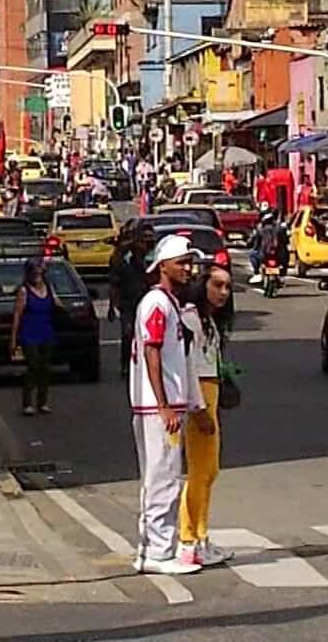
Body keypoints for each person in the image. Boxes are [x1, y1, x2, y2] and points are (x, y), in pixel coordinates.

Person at [130, 234, 205, 576]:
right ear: (163, 266)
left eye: (190, 263)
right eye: (182, 263)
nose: (188, 269)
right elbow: (152, 352)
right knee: (160, 479)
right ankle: (154, 552)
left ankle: (164, 548)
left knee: (169, 478)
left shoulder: (171, 303)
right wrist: (162, 405)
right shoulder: (156, 304)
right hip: (156, 409)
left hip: (170, 406)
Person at [178, 263, 234, 568]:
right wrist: (198, 408)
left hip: (209, 391)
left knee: (209, 470)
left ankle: (199, 537)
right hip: (199, 394)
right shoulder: (191, 318)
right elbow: (187, 365)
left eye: (227, 286)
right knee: (200, 470)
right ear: (203, 285)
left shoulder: (209, 321)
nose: (223, 292)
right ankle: (189, 540)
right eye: (217, 285)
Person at [8, 257, 60, 417]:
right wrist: (14, 339)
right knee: (33, 366)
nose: (38, 276)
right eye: (35, 273)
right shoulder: (24, 291)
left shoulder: (49, 288)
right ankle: (27, 403)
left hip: (46, 332)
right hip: (29, 334)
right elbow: (18, 315)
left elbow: (58, 304)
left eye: (40, 273)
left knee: (45, 368)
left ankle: (42, 402)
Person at [110, 224, 156, 380]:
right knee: (128, 333)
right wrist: (112, 305)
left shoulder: (154, 256)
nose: (147, 244)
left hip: (150, 302)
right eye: (144, 240)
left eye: (150, 240)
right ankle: (126, 364)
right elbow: (114, 282)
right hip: (128, 302)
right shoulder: (123, 258)